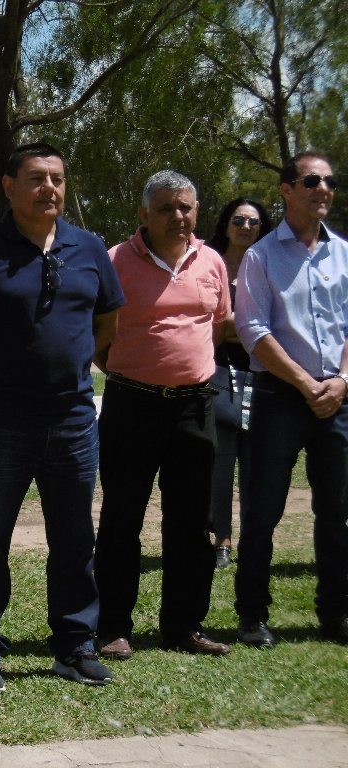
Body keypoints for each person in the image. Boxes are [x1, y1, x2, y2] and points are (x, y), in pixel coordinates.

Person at [0, 142, 124, 692]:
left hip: (73, 422)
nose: (49, 188)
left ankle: (75, 645)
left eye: (57, 178)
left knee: (75, 538)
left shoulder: (89, 248)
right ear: (9, 186)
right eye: (37, 178)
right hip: (0, 424)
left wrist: (73, 365)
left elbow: (106, 324)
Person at [94, 170, 232, 660]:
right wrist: (136, 370)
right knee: (121, 517)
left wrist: (183, 368)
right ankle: (112, 627)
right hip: (131, 404)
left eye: (186, 207)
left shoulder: (212, 261)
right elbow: (98, 335)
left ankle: (184, 626)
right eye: (167, 208)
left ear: (197, 211)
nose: (178, 216)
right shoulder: (115, 260)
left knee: (192, 521)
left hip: (195, 407)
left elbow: (216, 327)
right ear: (144, 215)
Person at [234, 152, 348, 648]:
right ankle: (252, 616)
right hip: (281, 396)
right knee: (263, 511)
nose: (324, 189)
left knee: (337, 510)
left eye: (330, 182)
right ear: (286, 190)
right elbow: (253, 330)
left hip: (338, 397)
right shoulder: (261, 256)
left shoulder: (344, 254)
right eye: (312, 180)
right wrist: (305, 383)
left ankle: (337, 613)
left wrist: (342, 380)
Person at [206, 199, 273, 568]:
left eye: (254, 221)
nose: (246, 226)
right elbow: (210, 324)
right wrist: (248, 328)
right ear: (226, 224)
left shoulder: (269, 266)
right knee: (220, 465)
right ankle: (222, 541)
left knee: (256, 466)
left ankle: (252, 541)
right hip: (217, 376)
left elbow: (274, 324)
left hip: (264, 376)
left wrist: (238, 327)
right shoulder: (211, 263)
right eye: (238, 219)